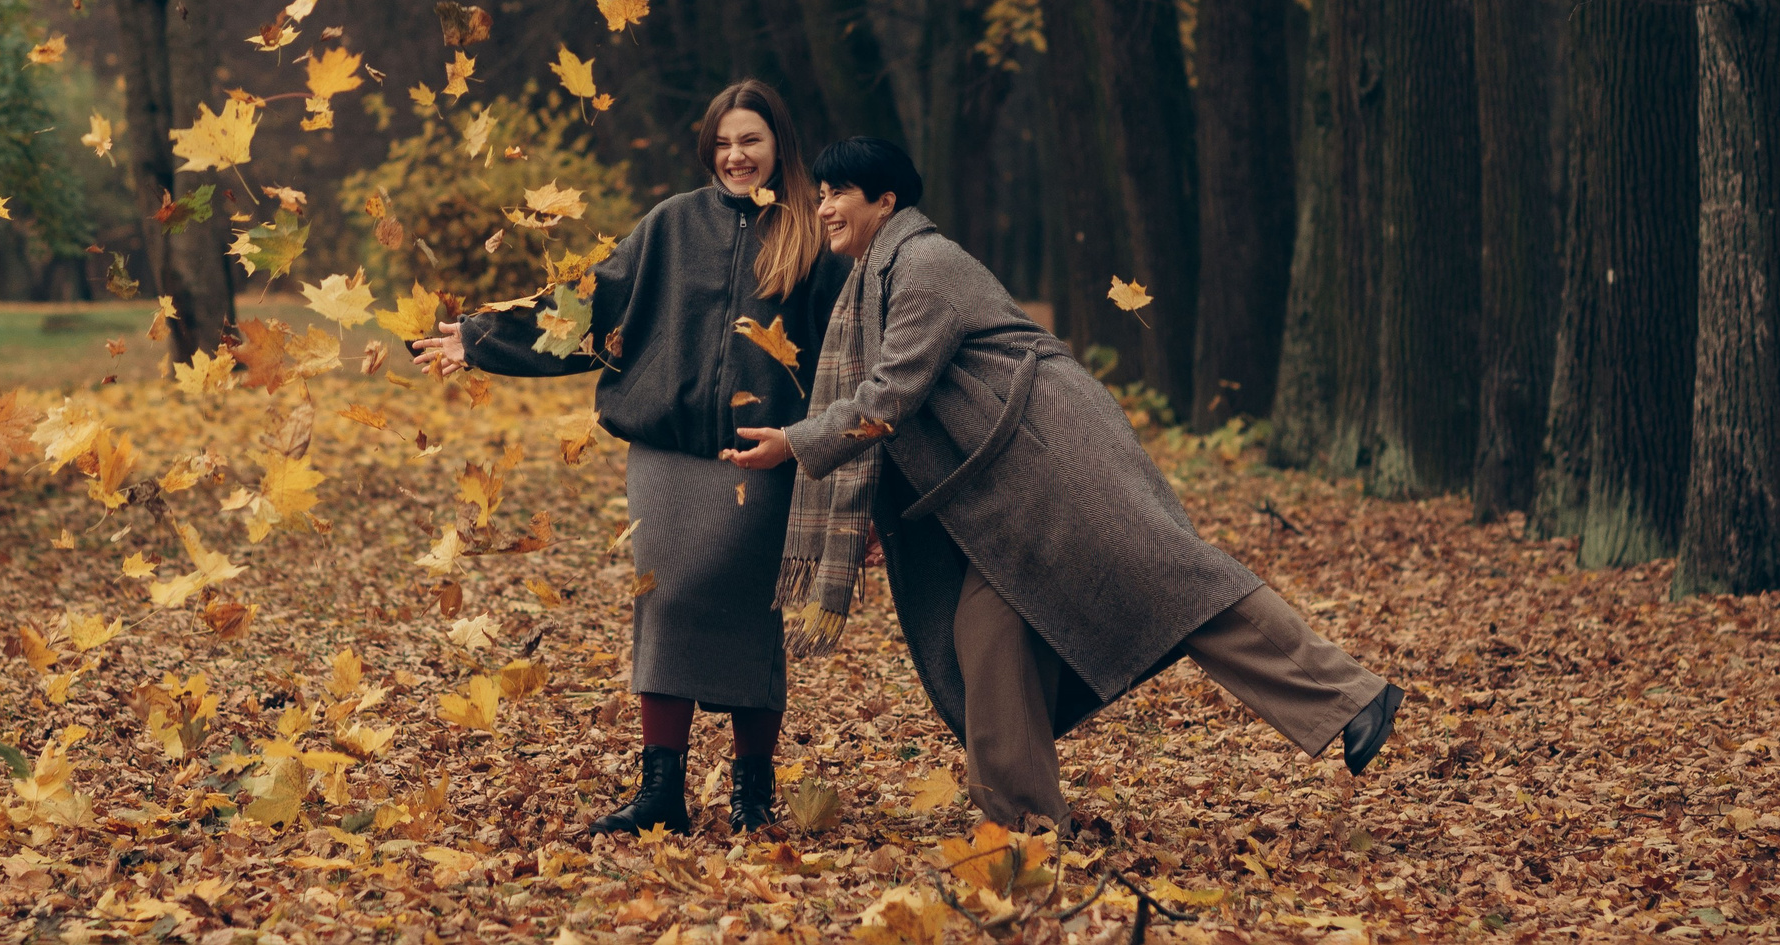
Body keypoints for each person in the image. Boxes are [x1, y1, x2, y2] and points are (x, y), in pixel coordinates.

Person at [728, 137, 1401, 829]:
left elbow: (890, 397)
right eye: (821, 195)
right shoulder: (881, 274)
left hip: (1055, 457)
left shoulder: (924, 266)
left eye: (840, 193)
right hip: (1007, 481)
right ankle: (1026, 823)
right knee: (989, 636)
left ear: (886, 200)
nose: (825, 208)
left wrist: (795, 443)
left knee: (1182, 582)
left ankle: (1350, 696)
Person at [412, 81, 851, 835]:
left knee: (751, 614)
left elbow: (850, 357)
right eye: (723, 142)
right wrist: (481, 338)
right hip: (666, 454)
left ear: (779, 145)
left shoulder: (809, 240)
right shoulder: (672, 224)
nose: (736, 156)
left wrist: (825, 454)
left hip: (764, 457)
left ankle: (752, 792)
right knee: (665, 600)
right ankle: (661, 790)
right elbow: (587, 307)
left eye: (750, 140)